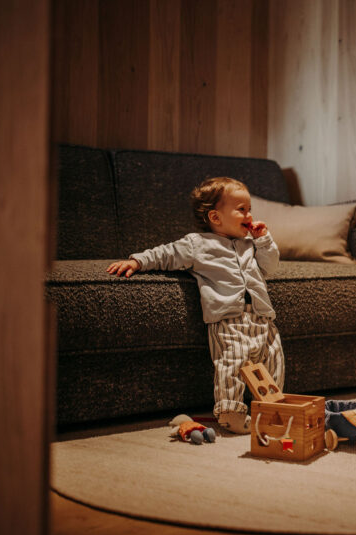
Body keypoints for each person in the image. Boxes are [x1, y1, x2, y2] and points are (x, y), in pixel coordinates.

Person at [106, 177, 284, 435]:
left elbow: (270, 266)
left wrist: (264, 240)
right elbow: (165, 254)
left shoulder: (250, 245)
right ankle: (231, 413)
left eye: (249, 208)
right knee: (232, 363)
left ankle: (273, 409)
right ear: (215, 217)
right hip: (229, 321)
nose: (249, 215)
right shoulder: (197, 244)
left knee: (274, 360)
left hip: (263, 318)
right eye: (241, 209)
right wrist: (138, 261)